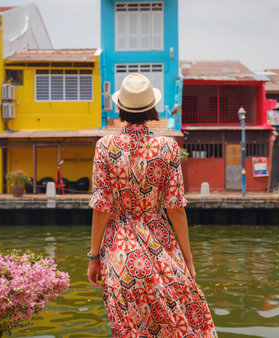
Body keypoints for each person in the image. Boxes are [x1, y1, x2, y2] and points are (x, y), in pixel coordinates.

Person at [87, 73, 218, 337]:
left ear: (121, 108)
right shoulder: (168, 147)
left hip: (121, 255)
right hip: (161, 250)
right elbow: (175, 208)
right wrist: (188, 259)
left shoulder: (105, 146)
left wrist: (94, 257)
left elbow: (102, 208)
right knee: (176, 326)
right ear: (152, 109)